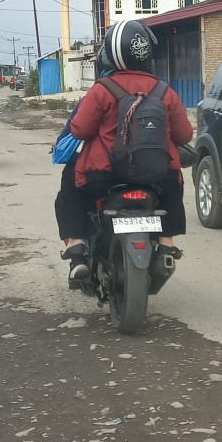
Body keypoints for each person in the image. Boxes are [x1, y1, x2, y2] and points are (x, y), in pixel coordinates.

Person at [54, 20, 193, 289]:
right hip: (156, 176)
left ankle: (77, 249)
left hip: (103, 175)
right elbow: (185, 136)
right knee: (174, 181)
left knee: (69, 184)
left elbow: (80, 130)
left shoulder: (102, 89)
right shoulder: (165, 91)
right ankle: (166, 243)